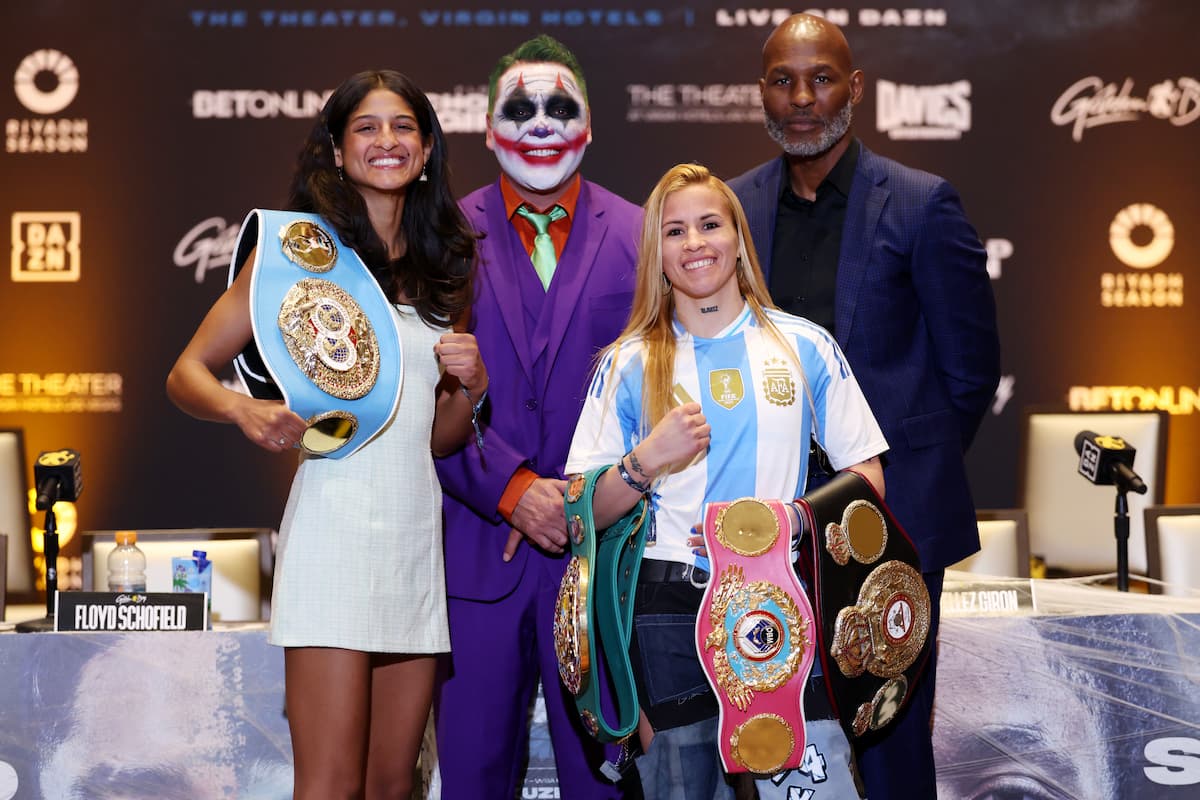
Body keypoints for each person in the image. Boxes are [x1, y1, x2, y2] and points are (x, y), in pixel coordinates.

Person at [166, 69, 485, 799]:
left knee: (393, 785)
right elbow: (186, 373)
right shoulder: (293, 256)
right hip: (334, 535)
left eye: (403, 126)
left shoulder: (445, 266)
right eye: (366, 128)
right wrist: (243, 410)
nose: (386, 141)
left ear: (428, 147)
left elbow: (435, 439)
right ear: (337, 152)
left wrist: (474, 387)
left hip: (411, 541)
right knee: (331, 785)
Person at [728, 13, 1002, 798]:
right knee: (770, 737)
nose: (802, 98)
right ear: (762, 96)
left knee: (889, 747)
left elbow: (969, 374)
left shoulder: (920, 204)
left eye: (820, 79)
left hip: (893, 526)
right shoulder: (736, 210)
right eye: (783, 81)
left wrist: (902, 480)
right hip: (765, 522)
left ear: (855, 88)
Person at [566, 162, 888, 800]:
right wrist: (644, 461)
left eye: (710, 224)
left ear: (739, 238)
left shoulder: (805, 346)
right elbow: (581, 514)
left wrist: (794, 520)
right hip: (667, 607)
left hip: (783, 599)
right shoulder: (626, 361)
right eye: (675, 231)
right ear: (656, 254)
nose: (695, 243)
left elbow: (868, 476)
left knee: (809, 788)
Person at [432, 34, 641, 799]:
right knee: (474, 778)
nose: (542, 124)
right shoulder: (440, 239)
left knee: (606, 782)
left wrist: (584, 498)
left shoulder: (645, 235)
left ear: (589, 124)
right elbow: (417, 401)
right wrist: (512, 488)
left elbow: (659, 395)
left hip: (603, 557)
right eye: (521, 108)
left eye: (561, 107)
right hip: (479, 555)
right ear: (488, 128)